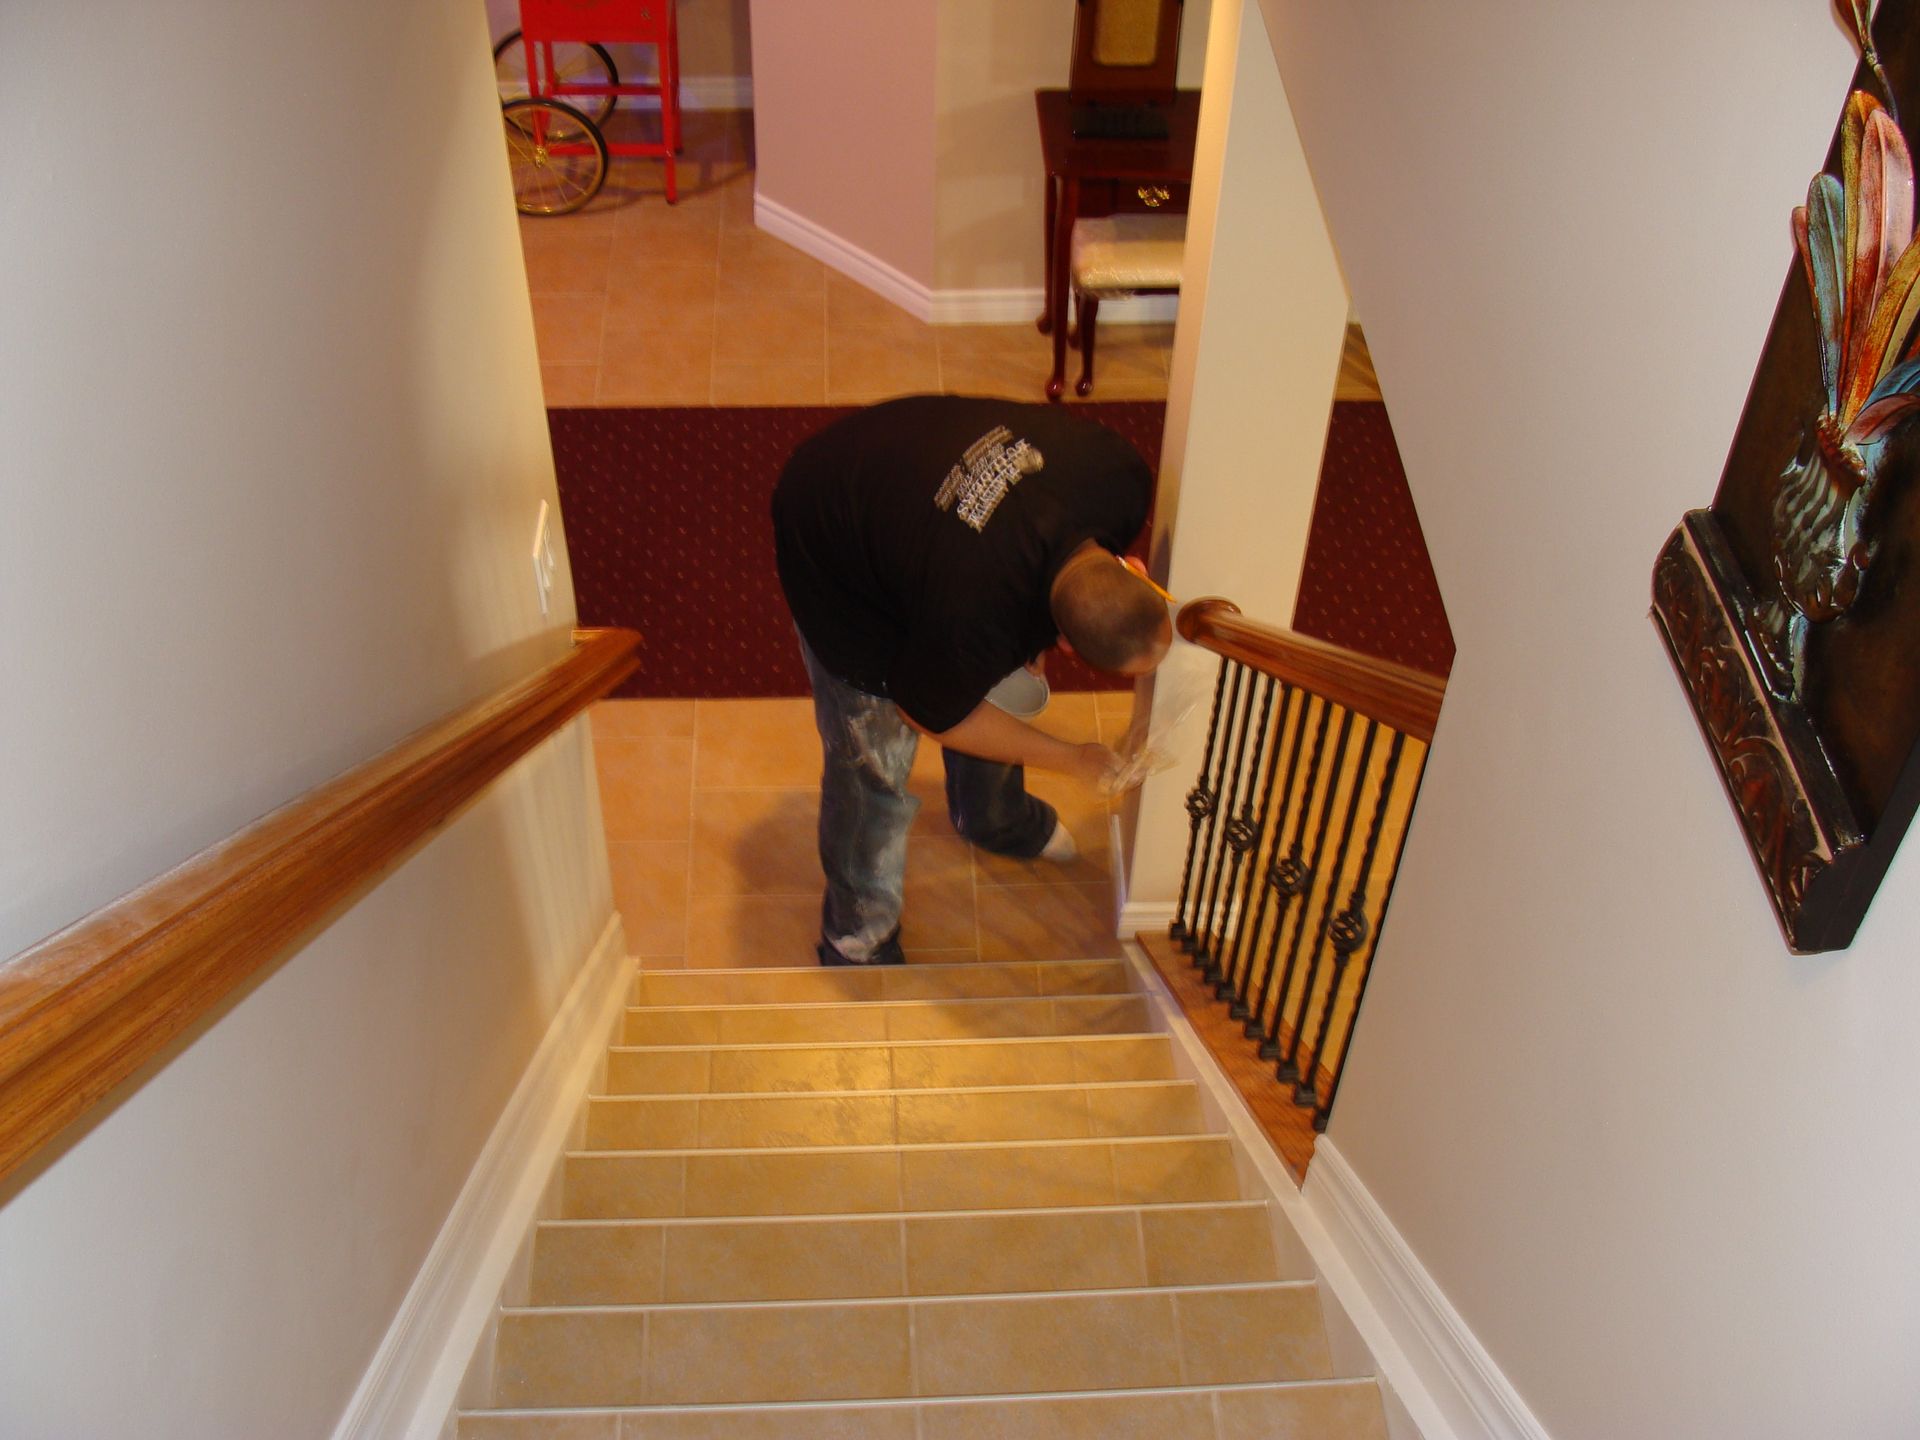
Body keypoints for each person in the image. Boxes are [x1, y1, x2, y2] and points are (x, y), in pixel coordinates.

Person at [772, 394, 1173, 967]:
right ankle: (857, 932)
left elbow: (994, 611)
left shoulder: (1118, 477)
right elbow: (929, 712)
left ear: (1133, 569)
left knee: (979, 671)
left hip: (914, 488)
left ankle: (992, 819)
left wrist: (1023, 641)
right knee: (872, 763)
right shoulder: (972, 609)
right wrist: (1074, 759)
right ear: (1063, 639)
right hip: (830, 524)